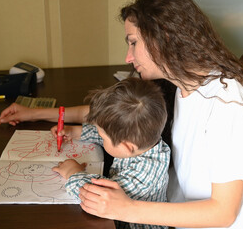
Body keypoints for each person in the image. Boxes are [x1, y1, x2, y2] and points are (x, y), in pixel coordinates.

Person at [0, 0, 243, 228]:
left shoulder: (229, 104)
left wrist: (127, 209)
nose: (128, 57)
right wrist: (36, 112)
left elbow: (223, 214)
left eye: (133, 43)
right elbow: (115, 115)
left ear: (162, 40)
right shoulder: (183, 82)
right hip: (181, 210)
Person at [52, 77, 170, 229]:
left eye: (102, 137)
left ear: (127, 146)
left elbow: (100, 197)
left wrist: (73, 172)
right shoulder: (143, 140)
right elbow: (112, 135)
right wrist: (77, 132)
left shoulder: (145, 173)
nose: (100, 136)